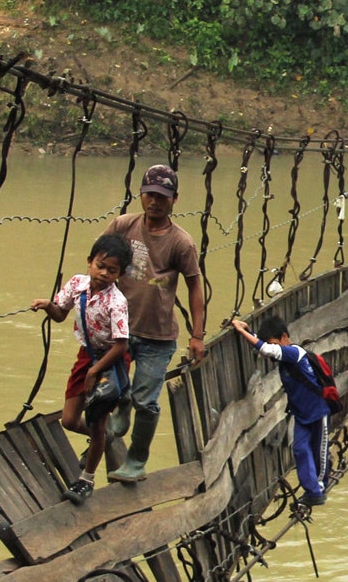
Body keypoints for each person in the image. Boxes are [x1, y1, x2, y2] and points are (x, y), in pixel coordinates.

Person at [103, 164, 206, 483]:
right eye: (150, 194)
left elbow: (194, 286)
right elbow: (99, 260)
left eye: (163, 197)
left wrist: (197, 336)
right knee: (113, 388)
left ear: (174, 199)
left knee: (146, 402)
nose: (155, 202)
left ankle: (136, 461)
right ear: (141, 194)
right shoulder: (123, 225)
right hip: (118, 328)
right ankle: (121, 403)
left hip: (158, 336)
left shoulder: (181, 242)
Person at [30, 233, 133, 504]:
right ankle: (104, 437)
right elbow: (61, 313)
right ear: (89, 262)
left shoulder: (117, 302)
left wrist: (94, 372)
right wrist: (47, 306)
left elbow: (121, 346)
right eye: (101, 266)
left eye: (112, 270)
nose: (104, 273)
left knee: (97, 419)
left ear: (120, 274)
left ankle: (86, 479)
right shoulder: (77, 284)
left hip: (110, 361)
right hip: (86, 356)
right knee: (70, 420)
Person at [230, 318, 329, 507]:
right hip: (301, 414)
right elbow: (266, 347)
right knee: (300, 449)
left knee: (319, 451)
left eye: (275, 342)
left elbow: (267, 349)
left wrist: (242, 332)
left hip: (318, 411)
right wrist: (249, 331)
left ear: (284, 337)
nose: (272, 351)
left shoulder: (294, 352)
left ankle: (319, 488)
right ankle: (312, 490)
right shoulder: (284, 355)